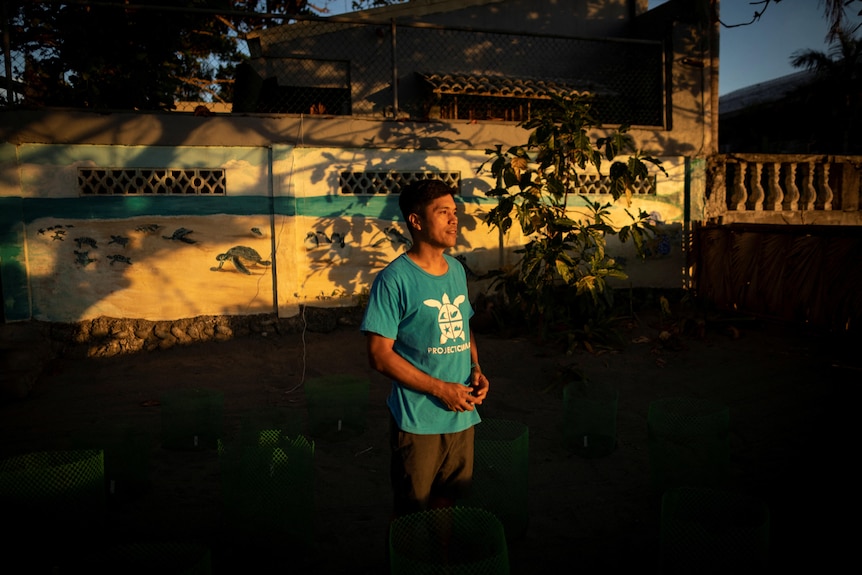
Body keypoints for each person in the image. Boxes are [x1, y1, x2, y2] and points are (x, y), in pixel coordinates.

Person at [361, 178, 490, 518]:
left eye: (454, 211)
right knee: (413, 511)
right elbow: (379, 355)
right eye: (443, 212)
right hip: (419, 420)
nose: (453, 219)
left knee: (447, 502)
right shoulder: (394, 280)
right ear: (416, 222)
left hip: (461, 414)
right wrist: (440, 389)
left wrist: (476, 369)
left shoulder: (457, 271)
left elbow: (463, 328)